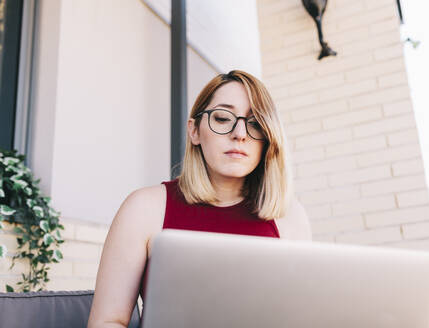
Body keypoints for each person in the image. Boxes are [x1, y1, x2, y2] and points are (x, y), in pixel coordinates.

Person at [87, 70, 312, 327]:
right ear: (194, 131)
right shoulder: (144, 208)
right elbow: (107, 322)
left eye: (255, 123)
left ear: (268, 138)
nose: (240, 133)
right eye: (222, 118)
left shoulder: (290, 217)